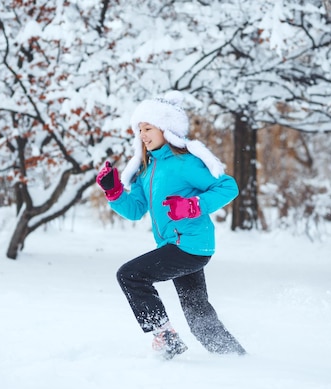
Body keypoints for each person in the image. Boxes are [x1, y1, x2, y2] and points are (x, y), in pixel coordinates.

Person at [96, 91, 246, 360]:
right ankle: (233, 357)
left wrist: (193, 205)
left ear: (167, 129)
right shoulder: (146, 170)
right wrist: (114, 192)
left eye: (148, 128)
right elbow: (135, 210)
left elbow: (228, 186)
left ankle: (166, 338)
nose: (142, 134)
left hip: (190, 244)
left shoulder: (184, 162)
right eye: (139, 129)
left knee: (130, 275)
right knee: (198, 314)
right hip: (175, 245)